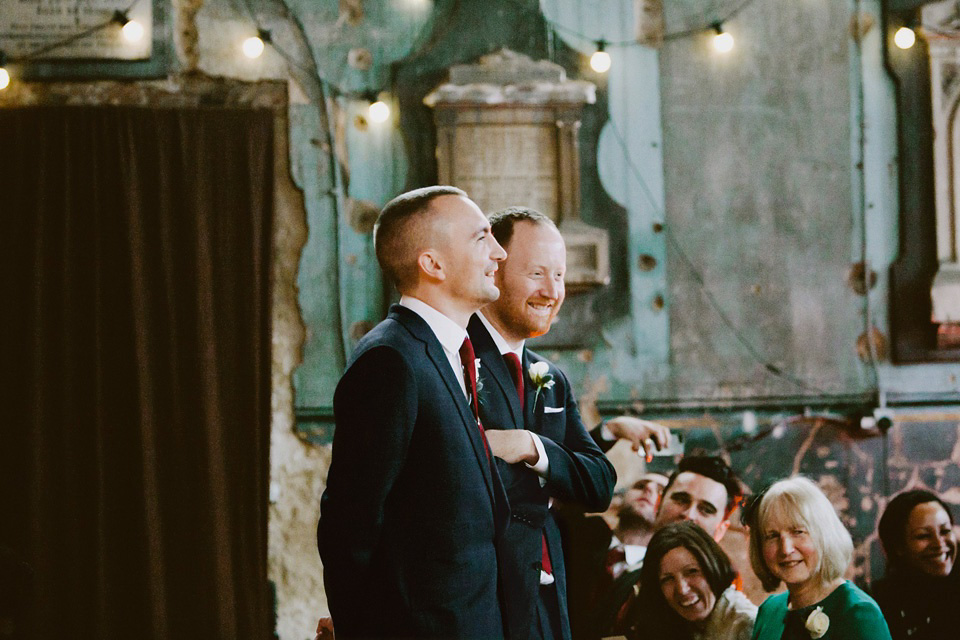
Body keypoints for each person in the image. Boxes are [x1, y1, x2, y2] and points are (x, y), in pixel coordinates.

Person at [317, 186, 512, 638]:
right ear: (433, 264)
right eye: (482, 238)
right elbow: (350, 524)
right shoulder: (391, 360)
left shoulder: (448, 353)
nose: (499, 253)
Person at [466, 206, 618, 640]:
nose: (552, 291)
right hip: (485, 600)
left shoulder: (550, 377)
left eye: (560, 275)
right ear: (493, 269)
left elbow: (600, 484)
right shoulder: (453, 360)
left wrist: (533, 448)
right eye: (537, 274)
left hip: (548, 604)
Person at [579, 455, 744, 639]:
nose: (688, 515)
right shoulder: (629, 580)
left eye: (705, 509)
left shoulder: (730, 610)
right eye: (681, 500)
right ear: (659, 504)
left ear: (721, 529)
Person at [747, 476, 891, 640]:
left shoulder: (858, 613)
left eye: (798, 532)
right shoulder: (769, 611)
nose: (786, 549)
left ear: (824, 535)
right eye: (772, 536)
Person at [624, 521, 756, 640]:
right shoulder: (674, 624)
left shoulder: (748, 626)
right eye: (668, 579)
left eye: (692, 572)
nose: (682, 589)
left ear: (713, 567)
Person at [872, 489, 959, 640]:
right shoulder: (881, 603)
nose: (939, 544)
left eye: (945, 531)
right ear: (898, 546)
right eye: (923, 535)